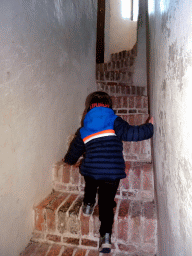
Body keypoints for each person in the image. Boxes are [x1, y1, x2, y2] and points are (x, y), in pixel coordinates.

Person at [63, 91, 154, 253]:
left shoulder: (84, 129)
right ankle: (105, 238)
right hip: (112, 172)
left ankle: (88, 204)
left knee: (90, 183)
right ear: (109, 107)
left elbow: (75, 149)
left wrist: (69, 160)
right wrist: (149, 127)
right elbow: (131, 133)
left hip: (91, 169)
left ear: (88, 110)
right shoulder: (114, 121)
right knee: (106, 204)